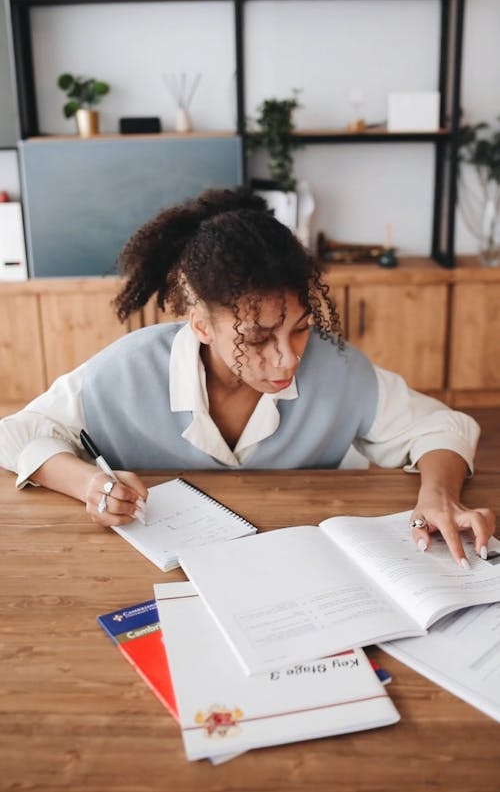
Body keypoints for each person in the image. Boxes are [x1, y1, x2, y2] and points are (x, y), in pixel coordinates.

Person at [0, 188, 495, 565]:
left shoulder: (339, 368)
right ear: (201, 327)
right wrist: (89, 483)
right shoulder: (123, 371)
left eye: (299, 329)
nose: (287, 359)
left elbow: (442, 426)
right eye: (258, 338)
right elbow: (15, 435)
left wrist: (439, 496)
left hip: (302, 568)